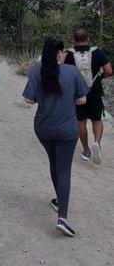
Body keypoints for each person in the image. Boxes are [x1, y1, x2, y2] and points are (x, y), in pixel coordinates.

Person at [23, 38, 88, 237]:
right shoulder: (71, 71)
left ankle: (59, 199)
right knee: (64, 170)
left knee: (54, 163)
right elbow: (82, 99)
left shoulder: (36, 71)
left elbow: (28, 99)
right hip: (67, 130)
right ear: (60, 53)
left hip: (43, 129)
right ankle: (62, 219)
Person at [65, 28, 112, 164]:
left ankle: (86, 150)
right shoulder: (97, 52)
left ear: (74, 39)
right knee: (97, 120)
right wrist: (100, 77)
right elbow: (109, 70)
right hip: (95, 91)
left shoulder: (69, 54)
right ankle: (97, 143)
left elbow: (65, 74)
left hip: (78, 93)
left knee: (81, 122)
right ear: (88, 38)